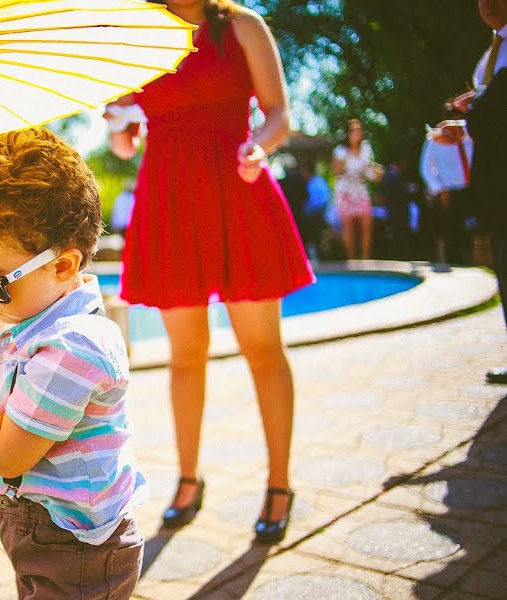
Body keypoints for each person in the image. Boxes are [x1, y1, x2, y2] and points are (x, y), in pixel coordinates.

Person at [106, 0, 314, 544]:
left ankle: (279, 484)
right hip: (170, 197)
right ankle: (189, 477)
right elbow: (124, 142)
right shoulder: (140, 39)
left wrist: (259, 146)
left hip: (237, 186)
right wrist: (118, 125)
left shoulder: (243, 26)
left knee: (263, 348)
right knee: (186, 354)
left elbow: (278, 115)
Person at [0, 127, 148, 600]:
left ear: (62, 266)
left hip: (79, 547)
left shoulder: (74, 346)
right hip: (42, 526)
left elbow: (8, 452)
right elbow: (12, 413)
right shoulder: (31, 319)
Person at [455, 0, 507, 384]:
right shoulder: (487, 56)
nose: (487, 2)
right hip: (495, 179)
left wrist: (474, 115)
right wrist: (465, 120)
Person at [419, 119, 474, 264]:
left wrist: (461, 129)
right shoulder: (434, 141)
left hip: (470, 190)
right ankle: (449, 261)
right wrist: (439, 189)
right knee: (448, 231)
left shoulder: (468, 139)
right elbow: (426, 168)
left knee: (469, 229)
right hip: (447, 191)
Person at [332, 119, 382, 260]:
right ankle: (352, 259)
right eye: (353, 130)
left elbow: (368, 168)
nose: (357, 133)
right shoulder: (340, 151)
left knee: (366, 223)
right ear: (347, 134)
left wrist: (376, 171)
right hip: (345, 190)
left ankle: (365, 258)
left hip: (360, 189)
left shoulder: (366, 148)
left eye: (359, 130)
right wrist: (349, 158)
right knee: (348, 226)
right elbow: (336, 171)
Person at [380, 157, 416, 261]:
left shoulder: (386, 175)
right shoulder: (393, 175)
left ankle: (396, 256)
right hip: (399, 210)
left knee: (395, 234)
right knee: (401, 234)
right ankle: (401, 256)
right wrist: (409, 190)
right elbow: (402, 193)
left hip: (391, 209)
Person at [301, 162, 331, 260]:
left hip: (318, 216)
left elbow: (318, 202)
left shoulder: (315, 183)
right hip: (317, 216)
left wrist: (305, 212)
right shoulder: (318, 181)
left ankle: (320, 257)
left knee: (315, 237)